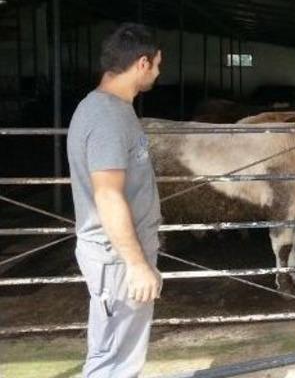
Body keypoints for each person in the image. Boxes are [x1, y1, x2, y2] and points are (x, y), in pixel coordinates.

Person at [68, 23, 164, 377]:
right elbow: (107, 195)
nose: (157, 72)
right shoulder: (106, 118)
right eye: (156, 64)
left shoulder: (116, 111)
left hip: (121, 256)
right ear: (142, 63)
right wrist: (137, 265)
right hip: (117, 260)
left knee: (121, 352)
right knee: (114, 361)